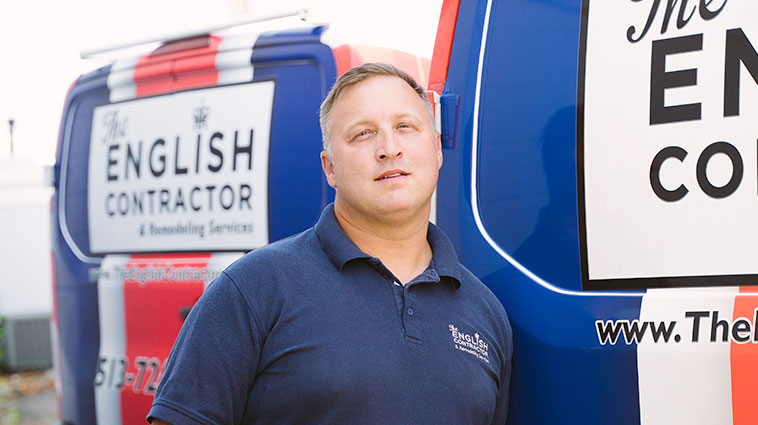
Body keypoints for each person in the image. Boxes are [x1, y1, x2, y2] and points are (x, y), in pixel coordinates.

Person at [147, 63, 513, 425]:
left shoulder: (486, 314)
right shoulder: (254, 289)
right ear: (330, 168)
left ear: (436, 149)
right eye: (363, 134)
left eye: (405, 126)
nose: (389, 148)